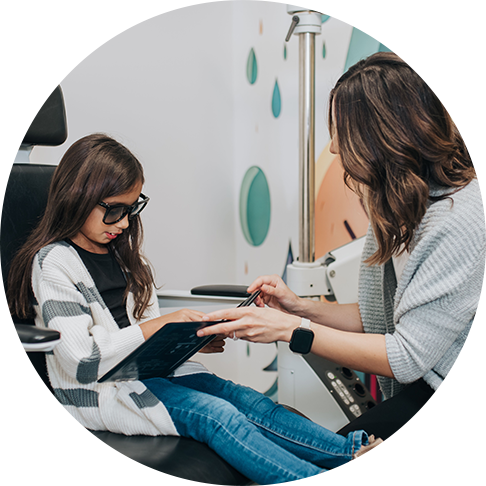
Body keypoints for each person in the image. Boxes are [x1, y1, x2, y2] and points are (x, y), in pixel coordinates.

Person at [7, 133, 380, 485]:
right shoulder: (54, 263)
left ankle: (356, 453)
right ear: (77, 197)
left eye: (131, 209)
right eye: (113, 211)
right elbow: (84, 361)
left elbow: (144, 339)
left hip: (151, 377)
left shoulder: (125, 258)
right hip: (100, 393)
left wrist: (186, 341)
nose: (123, 223)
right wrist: (162, 326)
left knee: (249, 401)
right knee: (218, 417)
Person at [197, 52, 486, 440]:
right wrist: (301, 308)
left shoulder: (457, 219)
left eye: (340, 132)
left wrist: (291, 328)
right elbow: (380, 319)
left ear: (381, 135)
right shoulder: (396, 205)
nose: (333, 149)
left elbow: (406, 357)